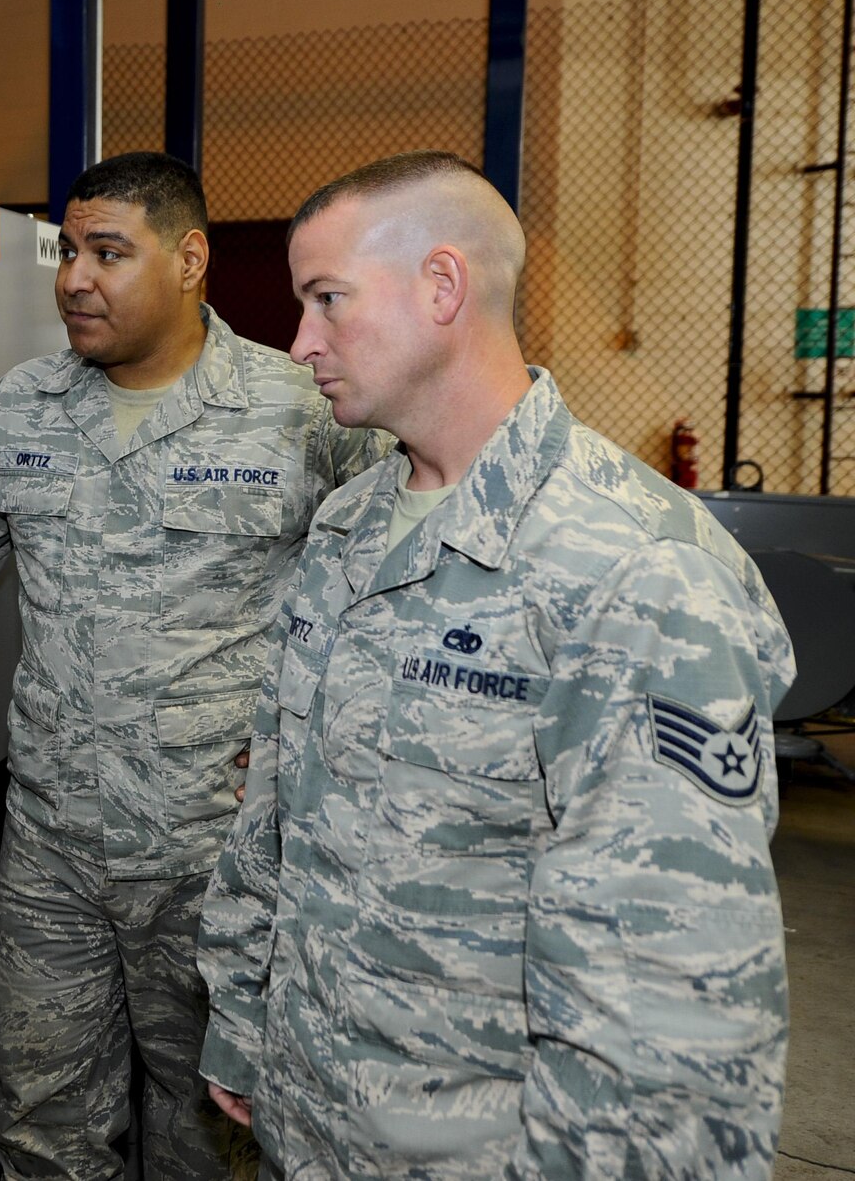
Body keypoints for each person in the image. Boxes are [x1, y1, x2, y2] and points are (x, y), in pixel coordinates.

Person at [0, 152, 387, 1180]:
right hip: (50, 844)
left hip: (215, 853)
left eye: (106, 253)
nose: (73, 279)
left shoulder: (298, 409)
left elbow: (393, 583)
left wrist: (331, 756)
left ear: (188, 262)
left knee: (214, 1119)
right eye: (66, 252)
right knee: (37, 1100)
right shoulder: (24, 410)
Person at [197, 151, 794, 1178]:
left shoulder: (636, 570)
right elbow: (275, 812)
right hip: (310, 1116)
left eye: (325, 300)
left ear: (441, 287)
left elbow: (668, 1003)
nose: (297, 343)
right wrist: (242, 1020)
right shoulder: (346, 526)